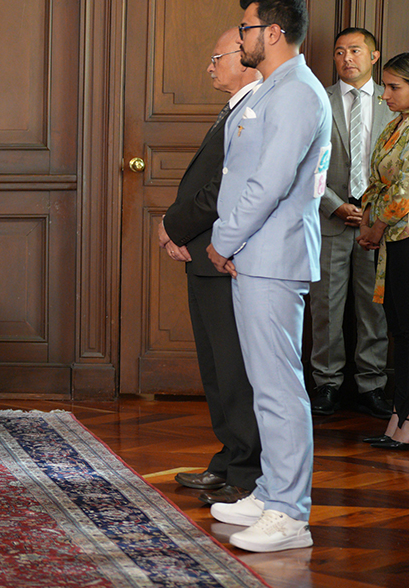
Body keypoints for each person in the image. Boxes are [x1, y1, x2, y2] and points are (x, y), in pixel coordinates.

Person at [205, 0, 330, 552]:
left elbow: (269, 183)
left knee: (280, 387)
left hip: (271, 255)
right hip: (257, 254)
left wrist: (222, 239)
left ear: (272, 33)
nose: (241, 36)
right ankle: (270, 490)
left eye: (246, 27)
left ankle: (289, 513)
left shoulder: (297, 94)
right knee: (265, 384)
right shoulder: (277, 88)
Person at [158, 28, 262, 505]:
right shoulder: (238, 105)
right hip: (206, 254)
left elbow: (226, 190)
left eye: (217, 56)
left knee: (235, 368)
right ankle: (229, 458)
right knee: (217, 369)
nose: (209, 66)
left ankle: (246, 474)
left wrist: (173, 226)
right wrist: (182, 232)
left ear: (245, 57)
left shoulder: (259, 106)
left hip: (229, 256)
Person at [309, 28, 393, 419]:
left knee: (373, 309)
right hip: (331, 219)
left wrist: (376, 212)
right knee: (326, 304)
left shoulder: (392, 99)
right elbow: (306, 163)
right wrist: (335, 205)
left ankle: (372, 384)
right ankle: (326, 383)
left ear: (374, 57)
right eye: (340, 52)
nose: (346, 59)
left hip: (378, 225)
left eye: (355, 51)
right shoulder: (317, 101)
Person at [357, 52, 409, 448]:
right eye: (385, 87)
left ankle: (406, 421)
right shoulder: (396, 125)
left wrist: (375, 226)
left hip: (404, 238)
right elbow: (378, 181)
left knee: (407, 331)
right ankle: (398, 416)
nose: (385, 94)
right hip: (392, 241)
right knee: (398, 330)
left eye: (394, 87)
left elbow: (405, 192)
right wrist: (366, 217)